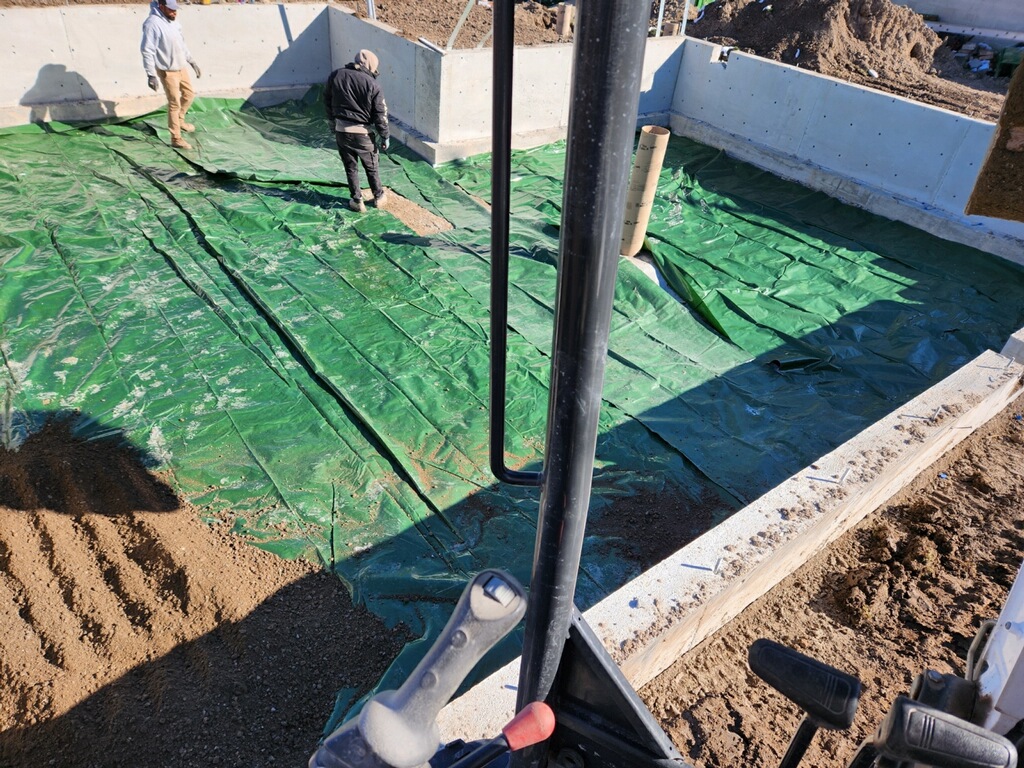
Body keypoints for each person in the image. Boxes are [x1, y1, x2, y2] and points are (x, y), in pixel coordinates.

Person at [325, 49, 390, 212]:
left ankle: (357, 200)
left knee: (350, 167)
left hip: (342, 131)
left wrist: (333, 123)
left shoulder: (336, 75)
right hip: (363, 134)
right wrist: (385, 135)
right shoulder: (373, 84)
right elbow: (380, 114)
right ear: (370, 66)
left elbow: (327, 100)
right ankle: (378, 196)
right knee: (372, 167)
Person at [141, 0, 202, 150]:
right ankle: (176, 138)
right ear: (161, 7)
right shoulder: (152, 24)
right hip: (168, 71)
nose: (175, 12)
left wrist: (191, 61)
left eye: (176, 10)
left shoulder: (174, 22)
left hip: (181, 67)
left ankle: (180, 120)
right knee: (174, 103)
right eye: (171, 10)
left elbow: (181, 43)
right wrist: (151, 75)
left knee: (189, 95)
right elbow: (147, 50)